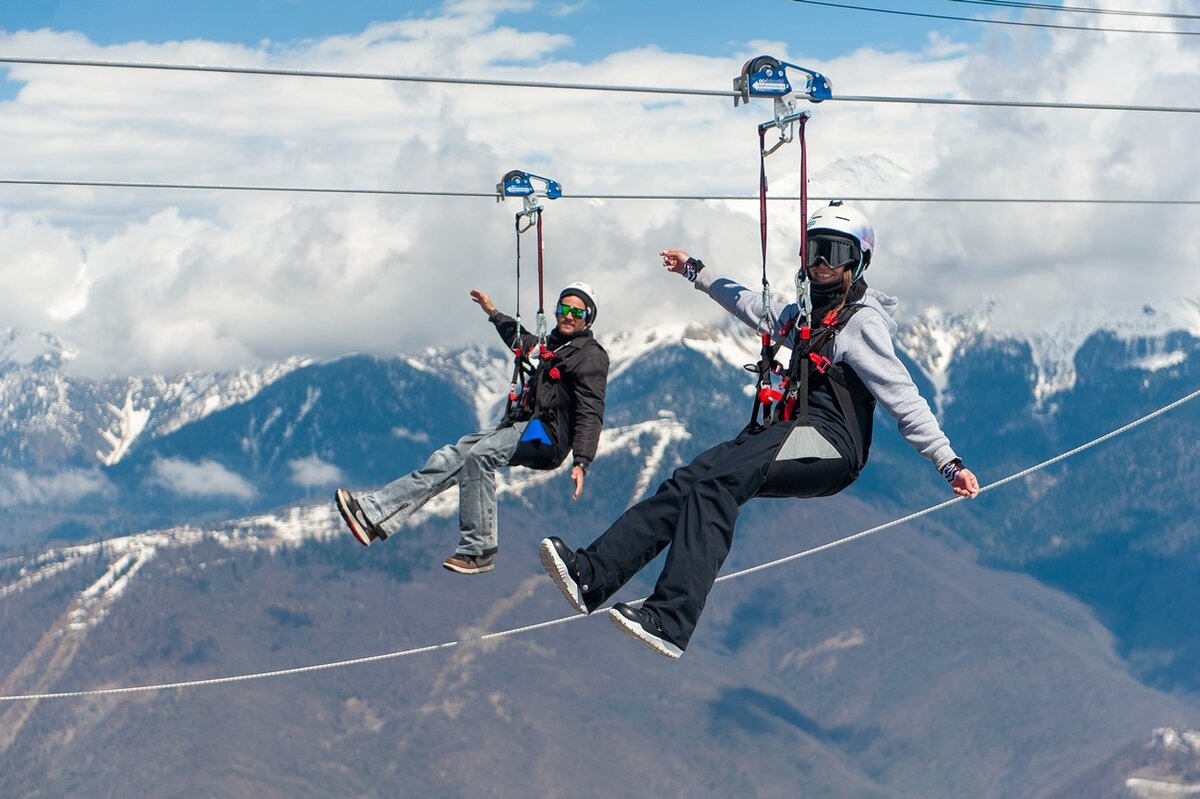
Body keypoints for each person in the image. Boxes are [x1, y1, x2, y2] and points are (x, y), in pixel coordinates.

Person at [539, 202, 980, 658]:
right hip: (791, 431)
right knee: (688, 481)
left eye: (834, 253)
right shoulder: (804, 316)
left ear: (859, 259)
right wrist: (696, 271)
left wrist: (948, 463)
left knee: (715, 485)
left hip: (831, 444)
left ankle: (670, 619)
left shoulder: (860, 323)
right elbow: (748, 304)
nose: (821, 264)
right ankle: (591, 575)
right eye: (814, 251)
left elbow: (902, 396)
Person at [336, 282, 609, 574]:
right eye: (563, 309)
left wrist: (582, 460)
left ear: (588, 318)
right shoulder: (548, 344)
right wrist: (493, 312)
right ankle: (374, 515)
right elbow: (519, 340)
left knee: (480, 456)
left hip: (547, 436)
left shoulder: (591, 355)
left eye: (576, 312)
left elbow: (591, 410)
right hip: (522, 425)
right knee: (452, 457)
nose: (568, 316)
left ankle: (479, 549)